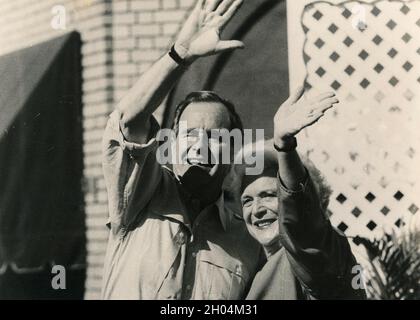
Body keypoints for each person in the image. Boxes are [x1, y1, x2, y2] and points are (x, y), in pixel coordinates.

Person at [101, 0, 264, 300]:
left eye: (215, 137)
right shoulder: (140, 196)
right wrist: (181, 55)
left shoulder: (248, 243)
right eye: (189, 134)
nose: (199, 145)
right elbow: (127, 122)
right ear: (171, 143)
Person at [237, 88, 366, 299]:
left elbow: (301, 225)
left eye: (269, 194)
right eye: (247, 200)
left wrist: (285, 147)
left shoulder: (320, 252)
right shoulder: (255, 269)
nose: (257, 210)